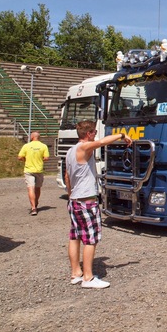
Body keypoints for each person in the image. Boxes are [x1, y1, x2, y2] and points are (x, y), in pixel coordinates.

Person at [65, 120, 133, 289]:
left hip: (74, 200)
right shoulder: (83, 147)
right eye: (94, 132)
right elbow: (102, 142)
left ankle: (76, 273)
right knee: (90, 239)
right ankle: (88, 277)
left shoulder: (70, 151)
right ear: (88, 134)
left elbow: (67, 176)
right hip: (86, 202)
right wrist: (122, 135)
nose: (96, 134)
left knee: (75, 237)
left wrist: (70, 194)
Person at [17, 131, 50, 216]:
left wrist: (25, 160)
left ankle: (33, 208)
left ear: (32, 137)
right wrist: (40, 160)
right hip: (39, 170)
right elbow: (46, 158)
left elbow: (20, 157)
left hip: (29, 169)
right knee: (38, 188)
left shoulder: (26, 146)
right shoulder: (43, 146)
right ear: (39, 137)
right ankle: (36, 202)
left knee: (30, 188)